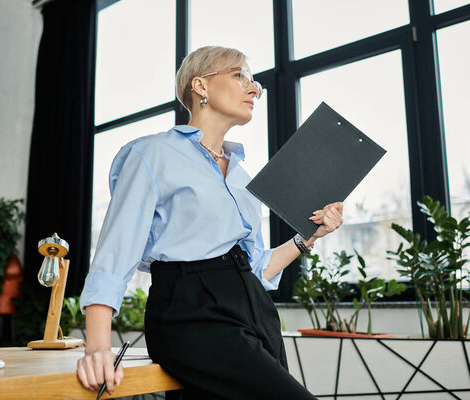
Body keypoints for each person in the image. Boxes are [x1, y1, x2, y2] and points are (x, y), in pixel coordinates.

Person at [77, 45, 343, 399]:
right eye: (240, 76)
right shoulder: (152, 153)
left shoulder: (242, 177)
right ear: (200, 86)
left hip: (255, 311)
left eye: (254, 81)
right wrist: (97, 346)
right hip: (191, 310)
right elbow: (115, 251)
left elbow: (258, 268)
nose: (255, 88)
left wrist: (307, 236)